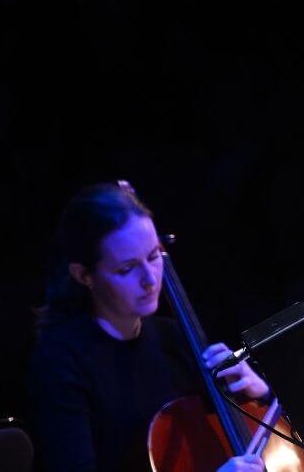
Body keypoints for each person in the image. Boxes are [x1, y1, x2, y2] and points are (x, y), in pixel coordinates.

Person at [29, 183, 269, 472]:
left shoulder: (175, 338)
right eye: (127, 268)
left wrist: (259, 395)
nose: (151, 280)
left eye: (154, 256)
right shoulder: (60, 362)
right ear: (84, 275)